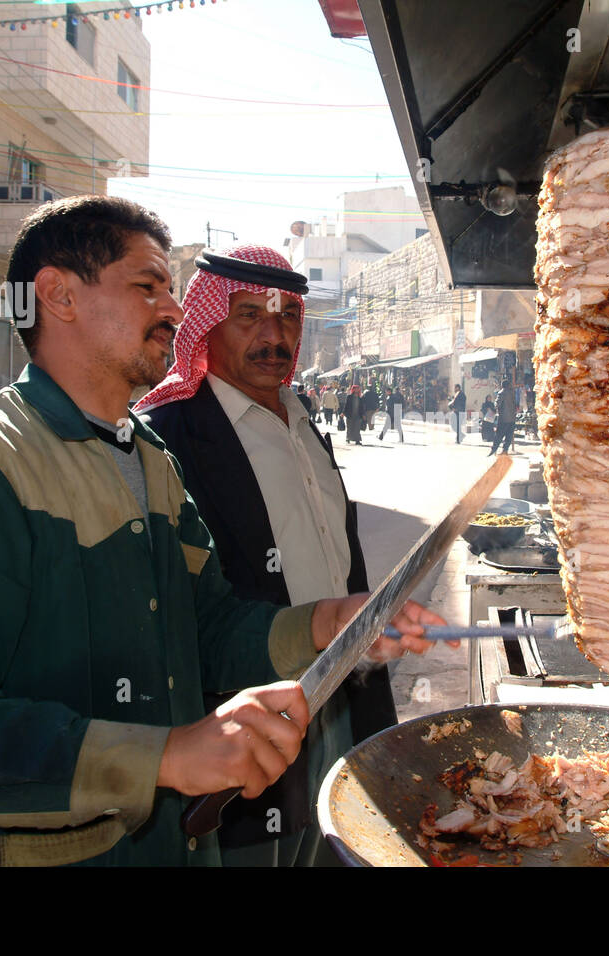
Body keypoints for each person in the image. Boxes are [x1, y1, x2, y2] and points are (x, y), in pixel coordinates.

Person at [0, 196, 441, 866]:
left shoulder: (150, 461)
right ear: (59, 295)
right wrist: (164, 755)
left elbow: (206, 629)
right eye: (148, 286)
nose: (176, 310)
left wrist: (330, 622)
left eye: (174, 291)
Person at [137, 244, 409, 866]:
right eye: (250, 315)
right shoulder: (168, 432)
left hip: (338, 688)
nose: (273, 334)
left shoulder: (302, 415)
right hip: (246, 710)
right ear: (208, 324)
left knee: (338, 837)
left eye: (287, 317)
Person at [489, 377, 519, 456]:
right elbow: (515, 405)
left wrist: (495, 408)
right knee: (509, 436)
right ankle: (505, 450)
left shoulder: (501, 393)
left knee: (499, 435)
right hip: (512, 418)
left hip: (503, 418)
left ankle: (494, 449)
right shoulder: (512, 393)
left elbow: (497, 404)